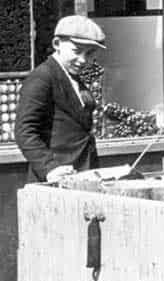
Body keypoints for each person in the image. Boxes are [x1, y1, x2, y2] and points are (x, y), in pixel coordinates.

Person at [14, 14, 106, 183]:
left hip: (83, 174)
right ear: (57, 44)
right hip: (57, 177)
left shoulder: (73, 77)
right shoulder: (43, 76)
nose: (83, 60)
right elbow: (24, 131)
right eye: (77, 51)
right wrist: (49, 168)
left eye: (90, 53)